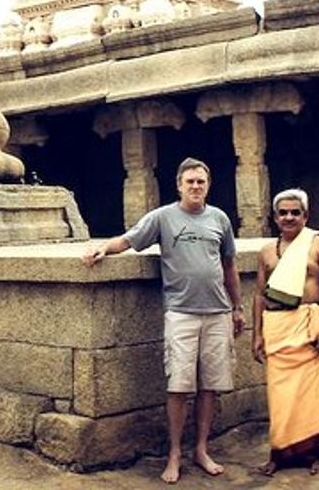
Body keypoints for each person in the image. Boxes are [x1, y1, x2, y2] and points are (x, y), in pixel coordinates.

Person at [82, 157, 244, 483]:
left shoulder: (220, 219)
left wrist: (237, 307)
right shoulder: (163, 217)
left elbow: (229, 266)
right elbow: (129, 239)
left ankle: (201, 449)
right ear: (179, 185)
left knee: (210, 386)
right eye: (190, 181)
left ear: (208, 185)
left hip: (217, 312)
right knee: (179, 385)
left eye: (201, 181)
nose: (196, 186)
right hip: (181, 312)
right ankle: (174, 453)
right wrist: (103, 249)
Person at [252, 188, 319, 475]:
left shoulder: (318, 244)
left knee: (314, 394)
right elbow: (259, 294)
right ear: (275, 217)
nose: (289, 217)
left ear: (305, 216)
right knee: (280, 396)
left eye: (295, 212)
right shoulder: (266, 252)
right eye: (283, 213)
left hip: (310, 327)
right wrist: (256, 334)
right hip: (278, 329)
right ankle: (281, 453)